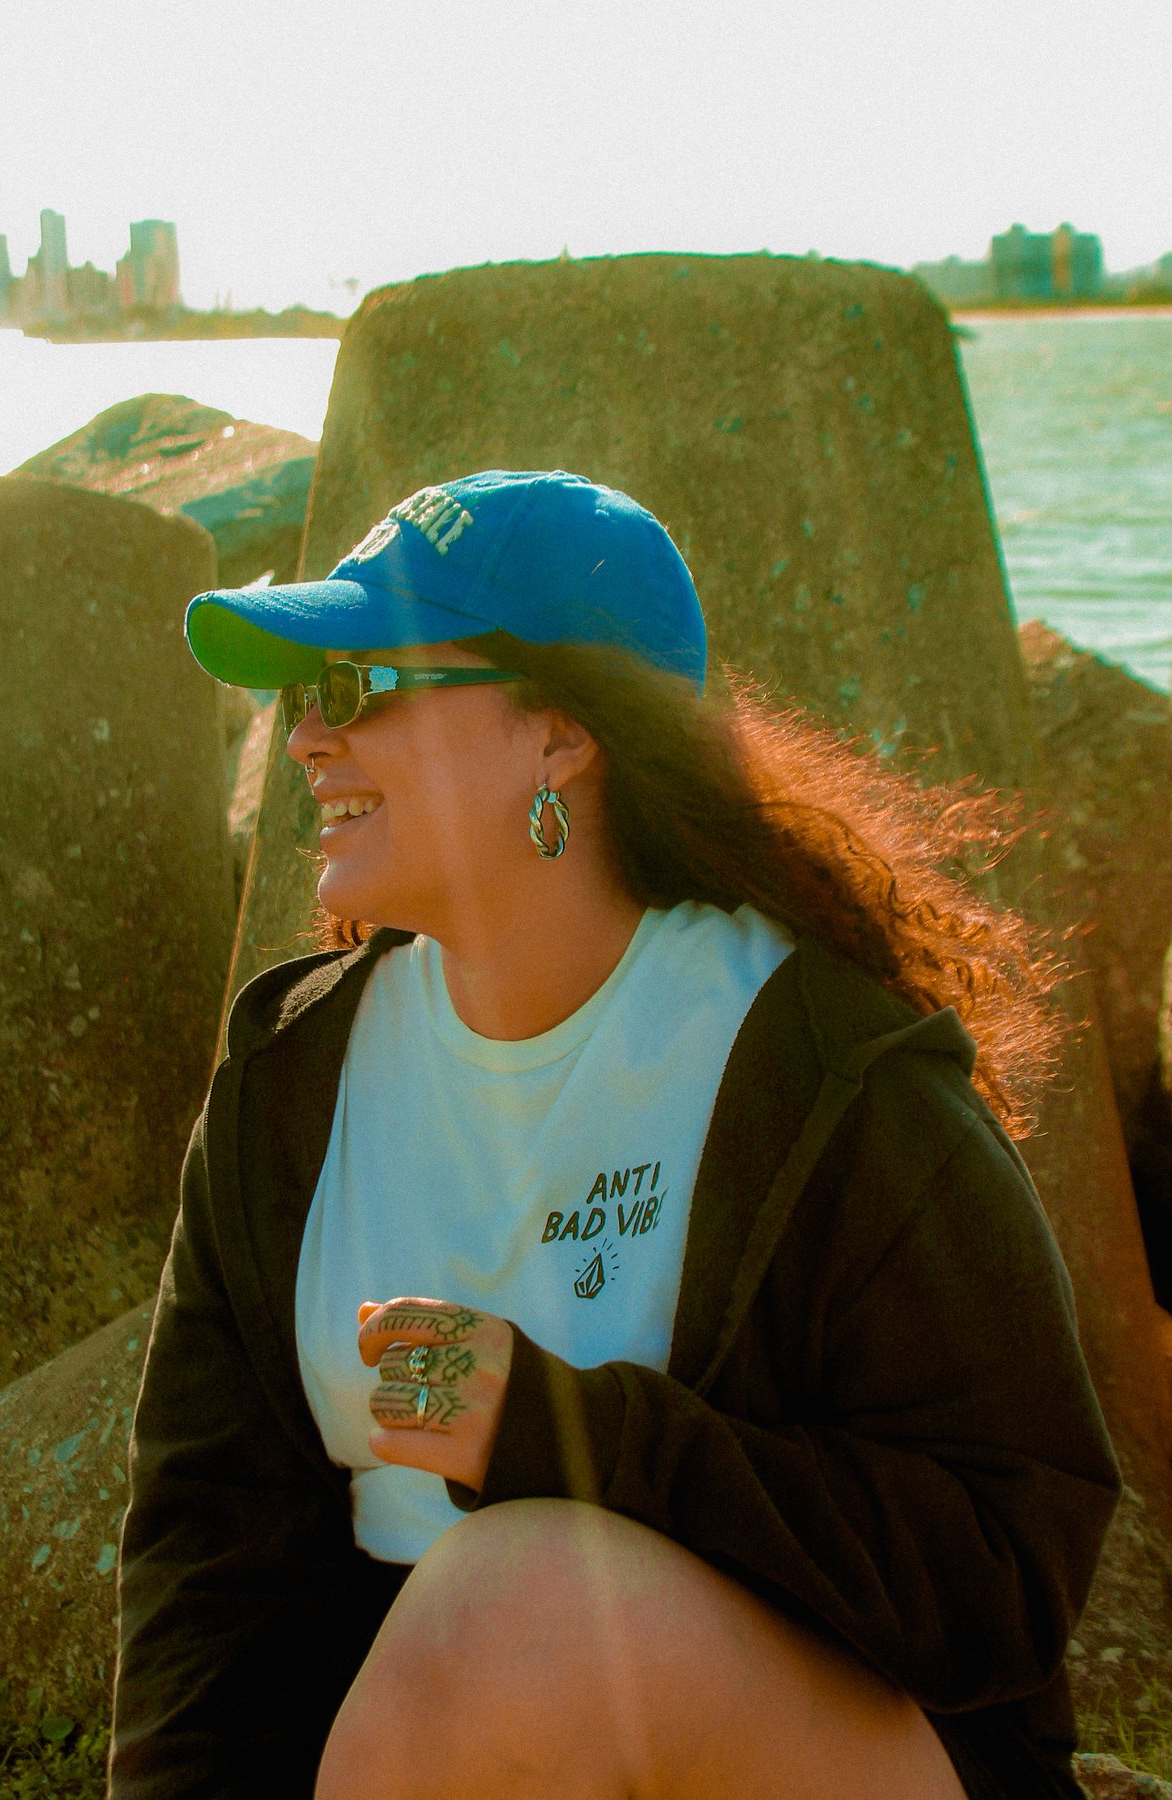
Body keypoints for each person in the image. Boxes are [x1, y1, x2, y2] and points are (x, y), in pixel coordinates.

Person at [110, 470, 1120, 1800]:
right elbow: (205, 1569)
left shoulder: (825, 1070)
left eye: (355, 685)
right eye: (301, 693)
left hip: (849, 1753)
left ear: (560, 736)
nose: (304, 739)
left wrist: (564, 1435)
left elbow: (1003, 1568)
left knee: (513, 1609)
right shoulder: (286, 1079)